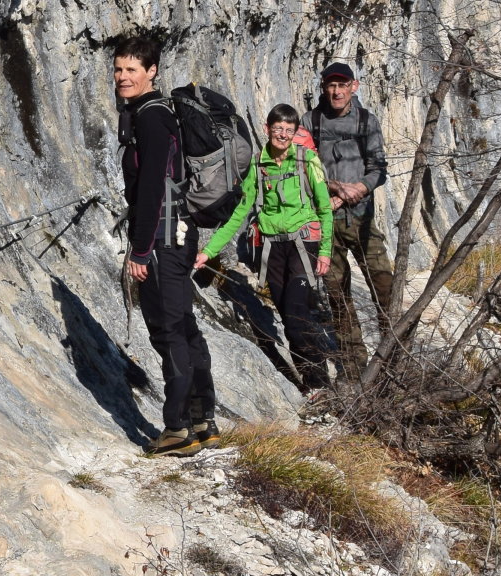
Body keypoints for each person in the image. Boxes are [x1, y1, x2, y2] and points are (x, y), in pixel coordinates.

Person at [114, 33, 218, 456]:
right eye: (118, 69)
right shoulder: (149, 111)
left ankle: (177, 429)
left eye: (131, 69)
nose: (122, 77)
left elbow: (155, 182)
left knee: (169, 330)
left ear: (151, 71)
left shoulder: (151, 116)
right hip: (174, 233)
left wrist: (140, 250)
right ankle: (201, 419)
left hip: (163, 236)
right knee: (185, 327)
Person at [194, 105, 340, 389]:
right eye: (278, 129)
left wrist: (324, 251)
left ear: (295, 131)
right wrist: (209, 251)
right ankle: (312, 382)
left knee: (297, 312)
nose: (283, 135)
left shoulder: (307, 160)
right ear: (267, 129)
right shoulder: (258, 165)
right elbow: (240, 211)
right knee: (287, 317)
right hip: (272, 249)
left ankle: (318, 382)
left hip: (303, 243)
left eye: (289, 130)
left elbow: (325, 209)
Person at [309, 62, 392, 382]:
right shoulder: (311, 122)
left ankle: (392, 359)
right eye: (331, 85)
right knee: (338, 298)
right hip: (327, 222)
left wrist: (359, 188)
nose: (336, 91)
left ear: (354, 87)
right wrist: (331, 188)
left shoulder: (367, 122)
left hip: (363, 219)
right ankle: (354, 370)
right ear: (323, 87)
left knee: (384, 286)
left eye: (342, 85)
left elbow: (378, 168)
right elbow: (305, 167)